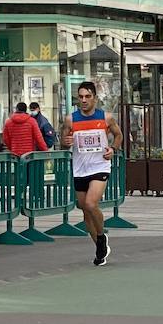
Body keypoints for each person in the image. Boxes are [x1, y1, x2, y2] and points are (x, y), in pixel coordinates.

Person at [61, 81, 124, 267]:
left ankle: (101, 235)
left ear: (95, 98)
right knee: (85, 212)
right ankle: (100, 247)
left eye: (87, 96)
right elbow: (63, 142)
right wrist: (66, 141)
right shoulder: (70, 120)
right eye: (80, 97)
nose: (84, 100)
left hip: (100, 166)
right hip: (80, 168)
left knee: (90, 203)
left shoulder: (106, 118)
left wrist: (113, 149)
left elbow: (118, 135)